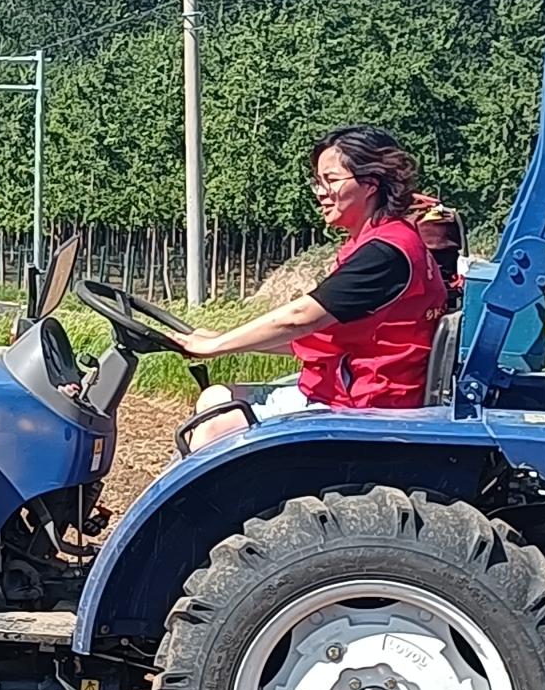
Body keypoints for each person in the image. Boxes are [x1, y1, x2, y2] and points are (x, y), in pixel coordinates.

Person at [173, 125, 449, 449]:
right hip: (351, 391)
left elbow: (300, 318)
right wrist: (223, 339)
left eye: (330, 180)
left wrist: (215, 347)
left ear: (370, 184)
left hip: (364, 405)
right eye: (317, 181)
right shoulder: (380, 242)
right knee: (215, 398)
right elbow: (316, 337)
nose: (320, 192)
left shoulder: (385, 254)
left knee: (215, 424)